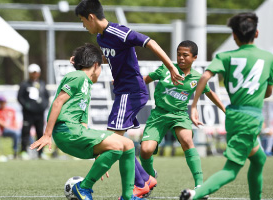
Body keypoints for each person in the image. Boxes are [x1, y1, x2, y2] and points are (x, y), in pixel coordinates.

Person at [74, 0, 184, 197]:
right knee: (118, 142)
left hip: (131, 92)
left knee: (112, 142)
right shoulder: (101, 38)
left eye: (83, 21)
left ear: (91, 17)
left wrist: (171, 67)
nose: (83, 25)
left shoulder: (118, 32)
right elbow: (114, 58)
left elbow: (150, 42)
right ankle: (145, 179)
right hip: (123, 92)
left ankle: (137, 184)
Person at [30, 44, 143, 200]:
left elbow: (83, 123)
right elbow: (57, 102)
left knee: (126, 145)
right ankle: (84, 187)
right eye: (101, 67)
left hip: (76, 132)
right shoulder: (78, 76)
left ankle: (127, 196)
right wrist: (47, 134)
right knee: (119, 144)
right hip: (67, 130)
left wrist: (99, 153)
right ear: (96, 65)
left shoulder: (86, 85)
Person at [180, 13, 273, 200]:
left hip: (233, 116)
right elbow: (268, 92)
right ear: (256, 34)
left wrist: (194, 106)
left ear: (234, 36)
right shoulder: (267, 57)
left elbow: (205, 76)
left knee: (259, 159)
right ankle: (195, 194)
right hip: (250, 118)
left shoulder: (224, 56)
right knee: (231, 170)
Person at [139, 40, 225, 192]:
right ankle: (150, 177)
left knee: (187, 140)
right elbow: (145, 80)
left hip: (179, 115)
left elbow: (210, 94)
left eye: (185, 55)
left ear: (194, 58)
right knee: (145, 150)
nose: (181, 58)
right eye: (179, 55)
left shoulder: (197, 78)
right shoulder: (166, 69)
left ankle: (199, 184)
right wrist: (124, 83)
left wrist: (225, 109)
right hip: (158, 114)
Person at [17, 63, 50, 160]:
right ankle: (23, 151)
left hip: (39, 114)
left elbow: (46, 97)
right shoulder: (24, 84)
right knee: (26, 132)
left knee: (40, 132)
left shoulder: (42, 84)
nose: (34, 74)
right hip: (28, 114)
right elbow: (20, 97)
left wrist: (44, 106)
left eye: (36, 73)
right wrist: (27, 106)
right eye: (32, 73)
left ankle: (41, 153)